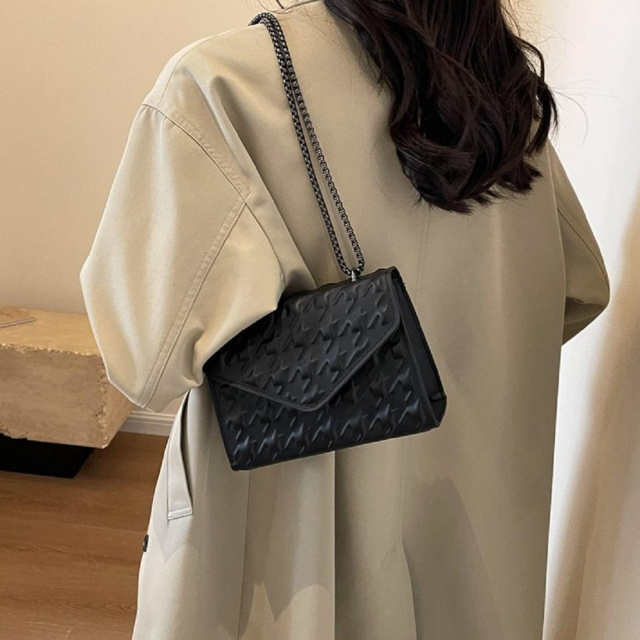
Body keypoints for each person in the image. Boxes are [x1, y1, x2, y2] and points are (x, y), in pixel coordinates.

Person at [79, 0, 610, 638]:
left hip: (289, 556)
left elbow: (144, 361)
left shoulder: (219, 86)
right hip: (475, 533)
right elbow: (580, 288)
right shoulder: (505, 96)